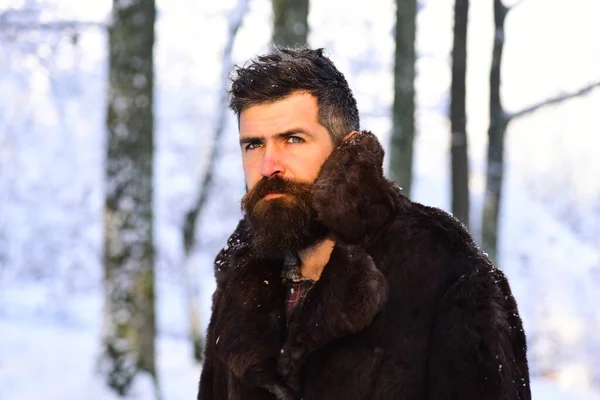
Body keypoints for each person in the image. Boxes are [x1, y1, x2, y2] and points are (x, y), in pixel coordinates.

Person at [197, 47, 531, 400]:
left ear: (346, 147)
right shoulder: (241, 277)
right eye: (253, 144)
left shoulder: (443, 265)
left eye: (293, 139)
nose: (268, 165)